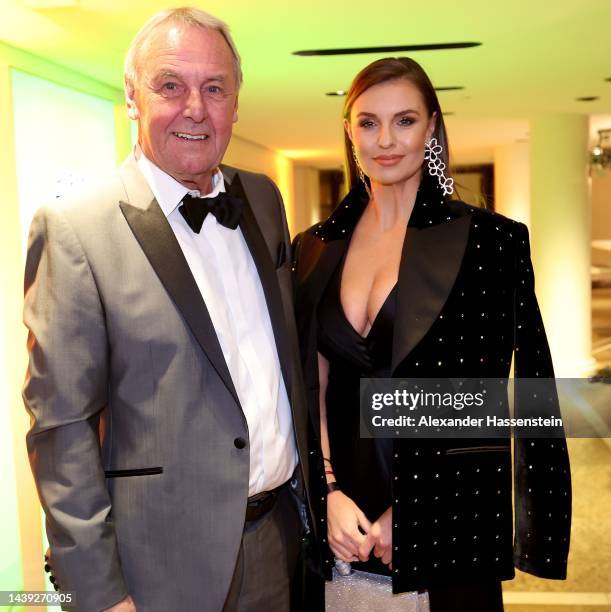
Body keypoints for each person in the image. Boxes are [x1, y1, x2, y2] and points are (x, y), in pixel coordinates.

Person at [23, 7, 315, 612]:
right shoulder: (76, 228)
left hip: (278, 540)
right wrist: (98, 595)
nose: (195, 108)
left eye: (215, 88)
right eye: (170, 85)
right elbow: (61, 431)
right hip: (156, 566)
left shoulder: (262, 198)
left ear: (236, 101)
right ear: (133, 97)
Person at [292, 57, 572, 611]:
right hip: (341, 523)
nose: (386, 140)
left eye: (405, 121)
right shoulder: (313, 247)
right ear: (349, 130)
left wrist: (419, 508)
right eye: (368, 122)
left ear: (432, 127)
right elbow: (310, 385)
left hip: (449, 518)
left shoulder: (490, 242)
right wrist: (326, 494)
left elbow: (506, 394)